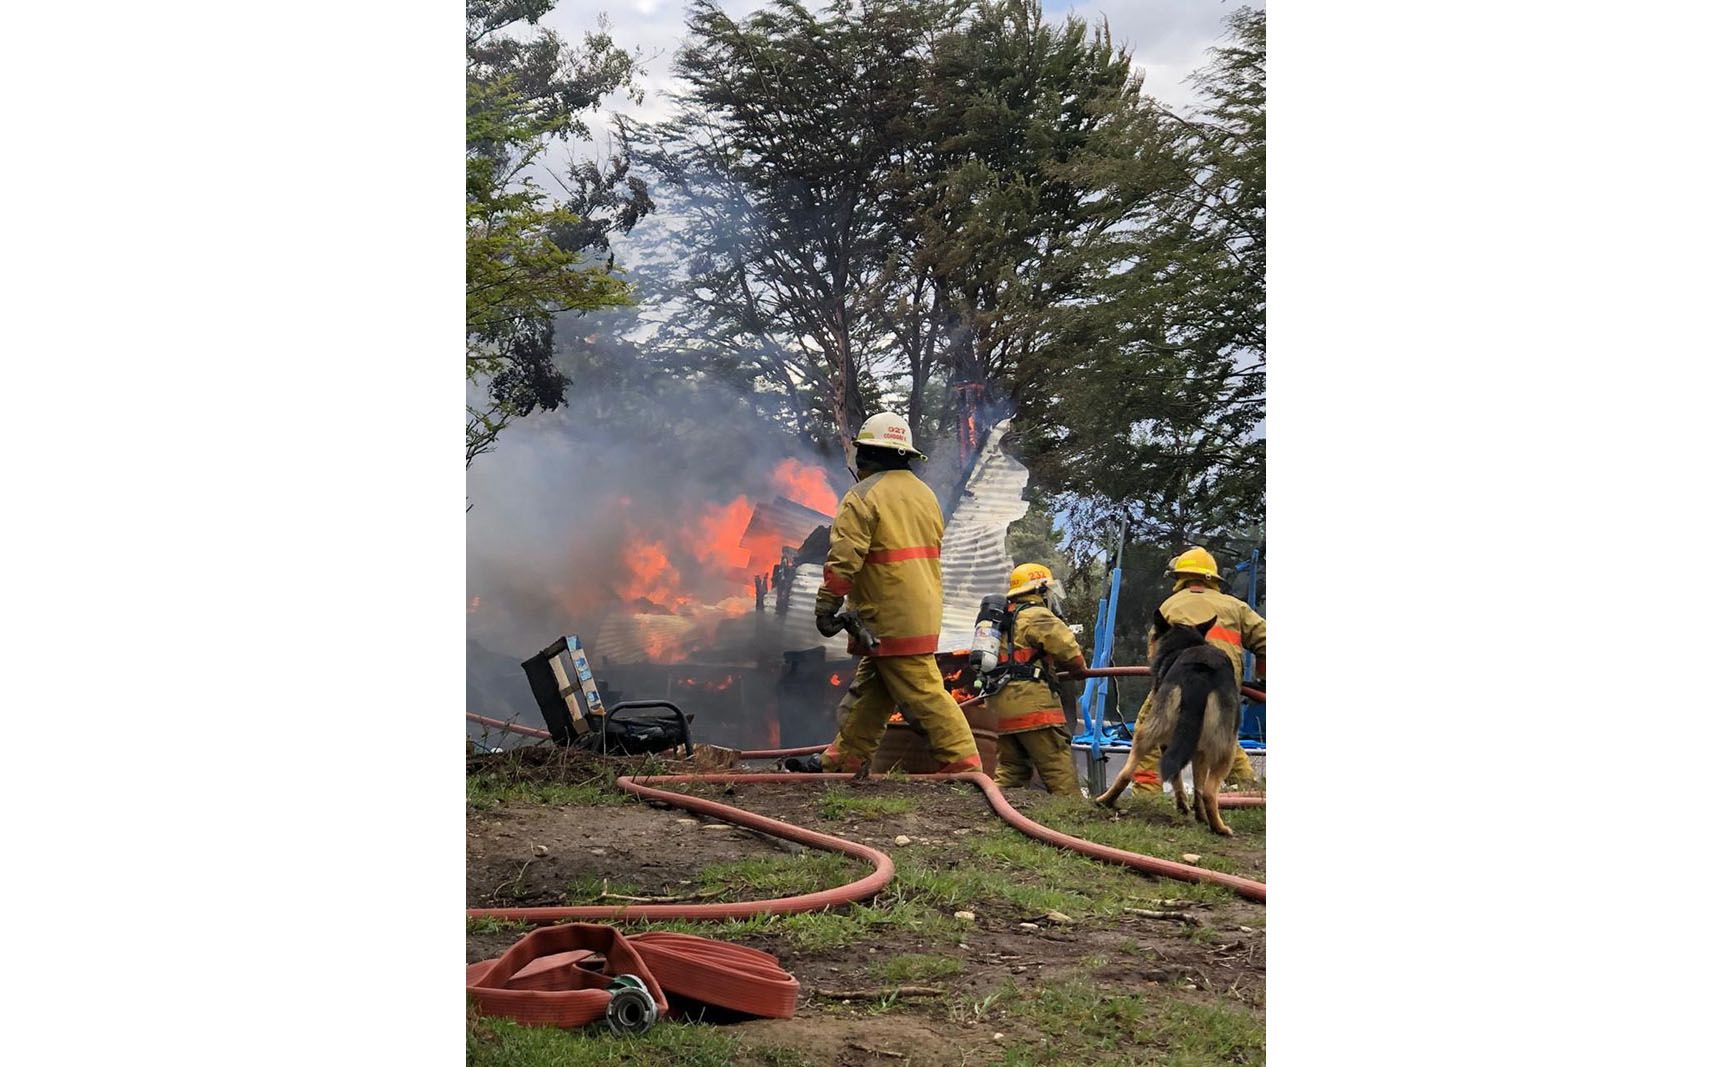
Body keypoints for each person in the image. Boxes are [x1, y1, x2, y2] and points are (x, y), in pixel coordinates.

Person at [785, 412, 982, 775]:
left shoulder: (862, 497)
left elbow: (843, 560)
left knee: (923, 692)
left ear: (868, 455)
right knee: (870, 693)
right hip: (920, 610)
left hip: (886, 615)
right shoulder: (925, 496)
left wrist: (826, 606)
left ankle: (964, 766)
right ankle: (844, 759)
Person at [1129, 546, 1265, 795]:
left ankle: (1146, 797)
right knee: (1225, 741)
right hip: (1222, 686)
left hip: (1175, 683)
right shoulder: (1236, 607)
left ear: (1180, 577)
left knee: (1147, 733)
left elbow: (1154, 652)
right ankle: (1251, 796)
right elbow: (1267, 642)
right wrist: (1262, 679)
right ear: (1212, 578)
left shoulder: (1170, 605)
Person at [986, 563, 1084, 796]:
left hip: (1000, 706)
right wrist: (1079, 669)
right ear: (1039, 590)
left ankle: (995, 817)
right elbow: (1071, 655)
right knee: (1057, 768)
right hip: (1034, 706)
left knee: (1011, 770)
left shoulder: (1002, 619)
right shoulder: (1037, 615)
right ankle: (1075, 821)